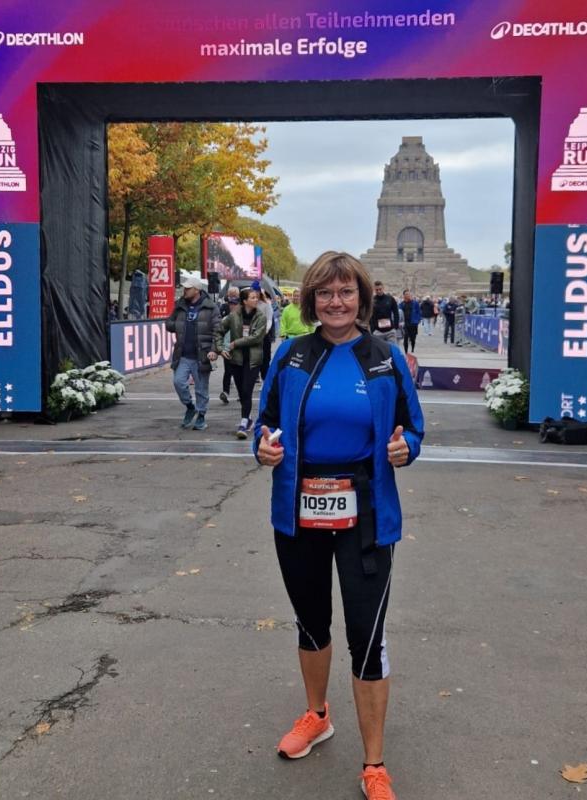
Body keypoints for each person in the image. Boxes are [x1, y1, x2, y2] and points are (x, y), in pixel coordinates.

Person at [254, 251, 424, 800]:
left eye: (346, 292)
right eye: (325, 293)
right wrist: (263, 449)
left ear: (362, 298)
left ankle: (374, 763)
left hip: (366, 511)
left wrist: (405, 448)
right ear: (311, 300)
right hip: (298, 507)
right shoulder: (291, 355)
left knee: (366, 637)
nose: (336, 302)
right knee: (310, 623)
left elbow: (414, 429)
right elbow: (265, 424)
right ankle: (317, 715)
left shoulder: (386, 358)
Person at [165, 275, 220, 430]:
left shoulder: (211, 307)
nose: (185, 290)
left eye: (188, 288)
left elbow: (218, 330)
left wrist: (214, 350)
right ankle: (190, 406)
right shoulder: (180, 305)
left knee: (201, 389)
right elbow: (169, 324)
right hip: (182, 354)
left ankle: (201, 415)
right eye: (185, 288)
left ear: (197, 290)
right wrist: (178, 324)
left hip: (201, 355)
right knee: (178, 382)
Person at [214, 288, 267, 439]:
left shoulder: (261, 317)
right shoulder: (233, 316)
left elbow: (257, 337)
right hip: (236, 360)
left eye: (256, 297)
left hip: (253, 360)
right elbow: (219, 331)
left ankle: (243, 422)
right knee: (242, 392)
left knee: (247, 390)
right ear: (244, 301)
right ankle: (248, 418)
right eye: (252, 297)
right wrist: (220, 348)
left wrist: (235, 343)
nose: (256, 300)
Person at [218, 286, 241, 404]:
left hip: (240, 349)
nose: (232, 305)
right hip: (227, 349)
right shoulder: (225, 318)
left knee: (239, 373)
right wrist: (220, 348)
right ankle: (225, 392)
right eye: (231, 303)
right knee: (228, 371)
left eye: (235, 303)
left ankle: (242, 393)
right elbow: (219, 334)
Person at [399, 290, 421, 354]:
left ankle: (412, 348)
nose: (408, 295)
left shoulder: (415, 303)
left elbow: (419, 312)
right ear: (404, 295)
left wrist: (418, 320)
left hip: (413, 323)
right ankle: (406, 352)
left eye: (409, 294)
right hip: (405, 323)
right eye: (406, 294)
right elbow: (399, 313)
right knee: (405, 337)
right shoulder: (401, 304)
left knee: (413, 338)